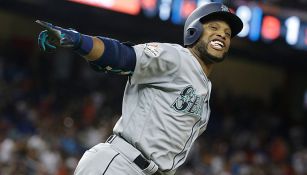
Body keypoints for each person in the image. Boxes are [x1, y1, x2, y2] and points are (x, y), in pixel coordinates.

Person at [36, 2, 243, 175]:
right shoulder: (176, 57)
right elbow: (123, 57)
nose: (223, 35)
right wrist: (78, 40)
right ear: (194, 31)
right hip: (122, 165)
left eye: (227, 33)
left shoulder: (205, 88)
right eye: (214, 28)